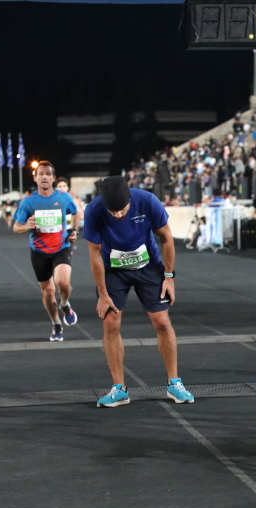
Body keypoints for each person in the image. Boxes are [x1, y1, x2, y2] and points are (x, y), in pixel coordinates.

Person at [82, 176, 193, 407]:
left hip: (148, 266)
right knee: (111, 322)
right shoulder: (93, 211)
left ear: (130, 200)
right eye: (113, 212)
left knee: (162, 321)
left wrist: (169, 277)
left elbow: (167, 238)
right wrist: (102, 294)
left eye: (122, 211)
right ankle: (119, 389)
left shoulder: (148, 201)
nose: (118, 216)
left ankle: (175, 383)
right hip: (113, 270)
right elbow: (94, 253)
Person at [13, 161, 79, 342]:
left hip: (61, 248)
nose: (44, 177)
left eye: (48, 174)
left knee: (63, 283)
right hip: (39, 252)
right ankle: (56, 324)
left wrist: (74, 231)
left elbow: (76, 212)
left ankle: (65, 304)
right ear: (35, 178)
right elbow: (16, 227)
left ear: (53, 178)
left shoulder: (64, 198)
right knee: (48, 293)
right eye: (40, 174)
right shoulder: (28, 202)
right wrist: (26, 225)